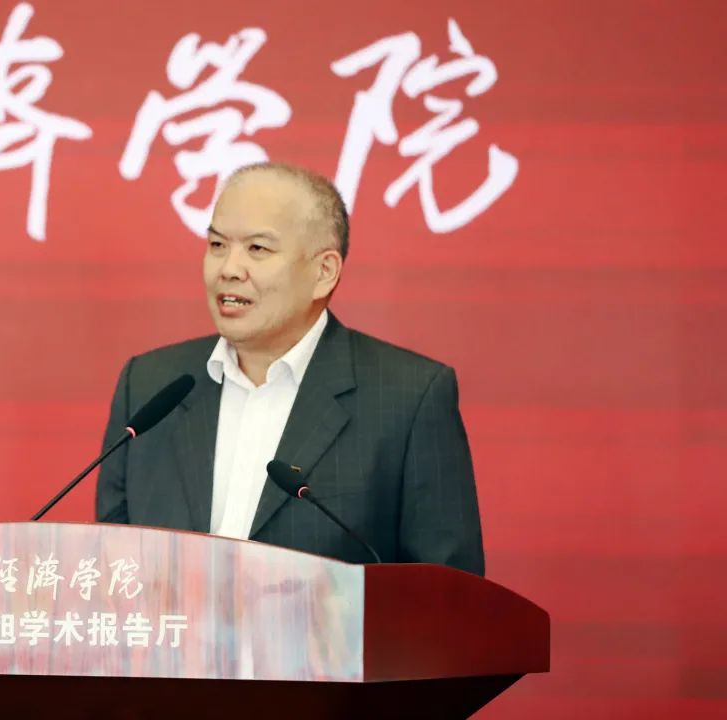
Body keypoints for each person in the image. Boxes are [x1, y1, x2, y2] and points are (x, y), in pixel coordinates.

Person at [95, 162, 484, 575]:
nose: (228, 268)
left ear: (324, 272)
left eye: (257, 249)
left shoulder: (408, 399)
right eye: (217, 244)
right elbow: (112, 569)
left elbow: (448, 594)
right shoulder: (150, 386)